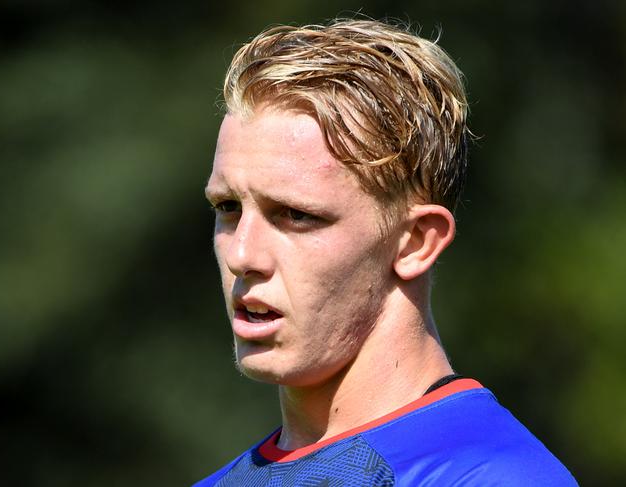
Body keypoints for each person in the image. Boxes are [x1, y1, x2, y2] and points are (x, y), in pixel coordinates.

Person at [196, 18, 577, 486]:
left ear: (416, 242)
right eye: (228, 208)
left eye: (296, 215)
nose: (242, 254)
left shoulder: (493, 476)